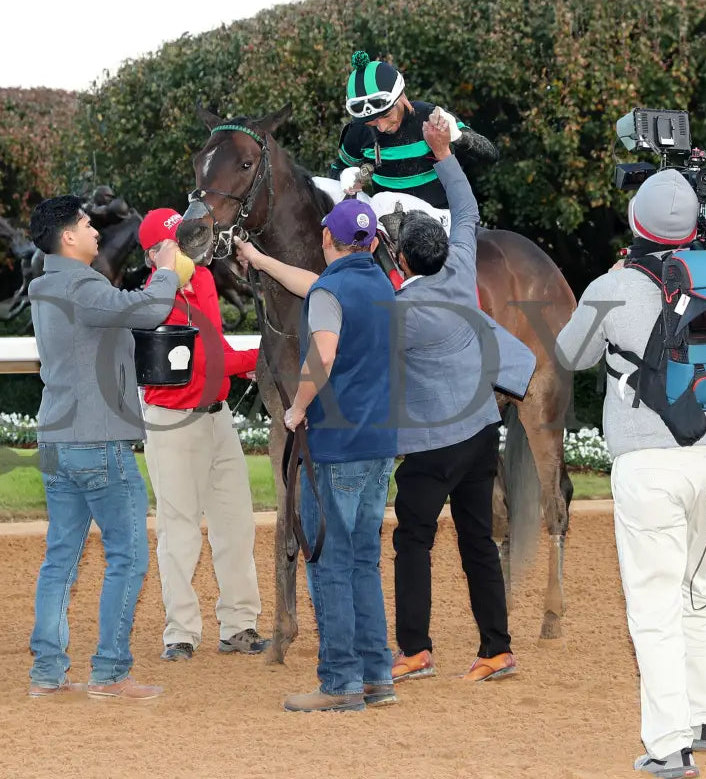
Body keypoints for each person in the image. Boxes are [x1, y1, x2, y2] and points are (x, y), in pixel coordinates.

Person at [555, 170, 706, 778]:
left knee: (654, 601)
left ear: (636, 224)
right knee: (699, 587)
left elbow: (570, 354)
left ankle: (670, 745)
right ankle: (699, 717)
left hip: (650, 459)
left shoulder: (612, 285)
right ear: (695, 225)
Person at [235, 197, 399, 713]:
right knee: (365, 563)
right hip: (379, 447)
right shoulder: (379, 284)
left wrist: (296, 408)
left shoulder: (332, 289)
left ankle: (339, 683)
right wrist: (260, 261)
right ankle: (377, 676)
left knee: (328, 562)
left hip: (337, 446)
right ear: (370, 243)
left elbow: (323, 353)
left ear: (328, 240)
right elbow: (314, 285)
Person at [387, 111, 535, 685]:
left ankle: (416, 650)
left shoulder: (398, 312)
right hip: (480, 434)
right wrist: (443, 154)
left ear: (402, 260)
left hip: (430, 448)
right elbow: (467, 211)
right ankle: (496, 648)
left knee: (413, 542)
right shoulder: (461, 265)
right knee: (477, 540)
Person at [26, 194, 181, 700]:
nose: (96, 231)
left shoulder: (46, 285)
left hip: (56, 439)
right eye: (88, 224)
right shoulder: (82, 285)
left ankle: (48, 672)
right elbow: (153, 308)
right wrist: (165, 265)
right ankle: (111, 672)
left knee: (61, 560)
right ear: (67, 237)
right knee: (128, 555)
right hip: (99, 441)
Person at [137, 209, 269, 661]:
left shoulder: (206, 284)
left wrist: (252, 357)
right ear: (156, 255)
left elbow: (217, 348)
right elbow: (204, 361)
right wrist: (266, 355)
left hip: (216, 417)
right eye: (179, 243)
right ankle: (180, 632)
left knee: (236, 523)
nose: (192, 248)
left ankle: (240, 625)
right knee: (179, 531)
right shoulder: (156, 301)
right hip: (172, 422)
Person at [329, 51, 499, 216]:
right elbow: (337, 168)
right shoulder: (358, 130)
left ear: (401, 97)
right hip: (389, 222)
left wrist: (458, 136)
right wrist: (344, 176)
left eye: (386, 115)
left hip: (442, 218)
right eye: (371, 121)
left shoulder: (430, 116)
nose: (381, 127)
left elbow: (491, 155)